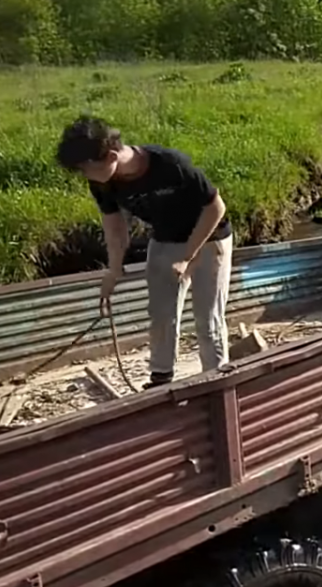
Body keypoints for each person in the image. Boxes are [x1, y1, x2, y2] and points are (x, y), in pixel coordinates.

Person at [55, 116, 232, 389]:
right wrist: (114, 270)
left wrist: (187, 257)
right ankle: (161, 380)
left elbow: (215, 208)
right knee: (161, 313)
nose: (85, 176)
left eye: (85, 169)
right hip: (165, 239)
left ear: (112, 156)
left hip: (209, 236)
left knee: (207, 319)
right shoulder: (102, 182)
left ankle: (218, 381)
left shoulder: (169, 164)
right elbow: (114, 227)